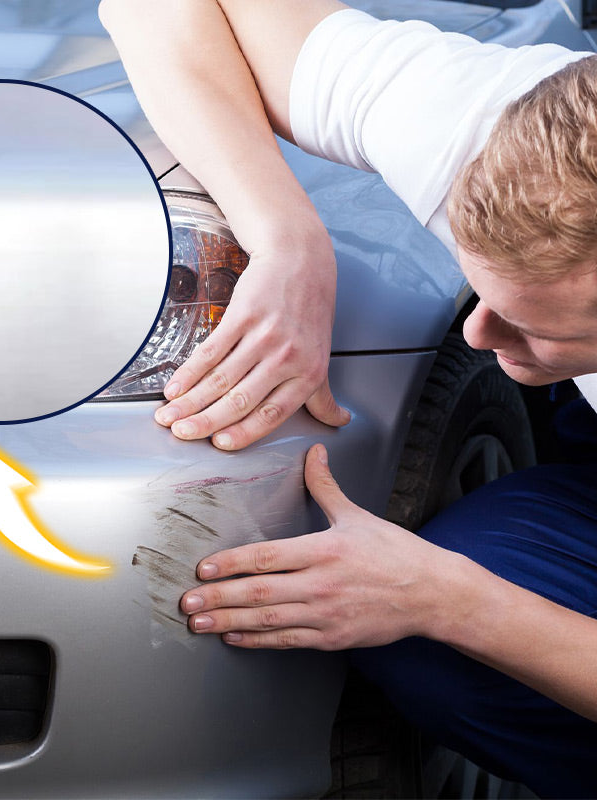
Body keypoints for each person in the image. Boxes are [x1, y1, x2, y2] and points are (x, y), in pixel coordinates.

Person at [99, 1, 597, 793]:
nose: (481, 336)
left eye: (534, 325)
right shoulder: (495, 120)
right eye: (485, 292)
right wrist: (287, 238)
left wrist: (453, 601)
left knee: (451, 631)